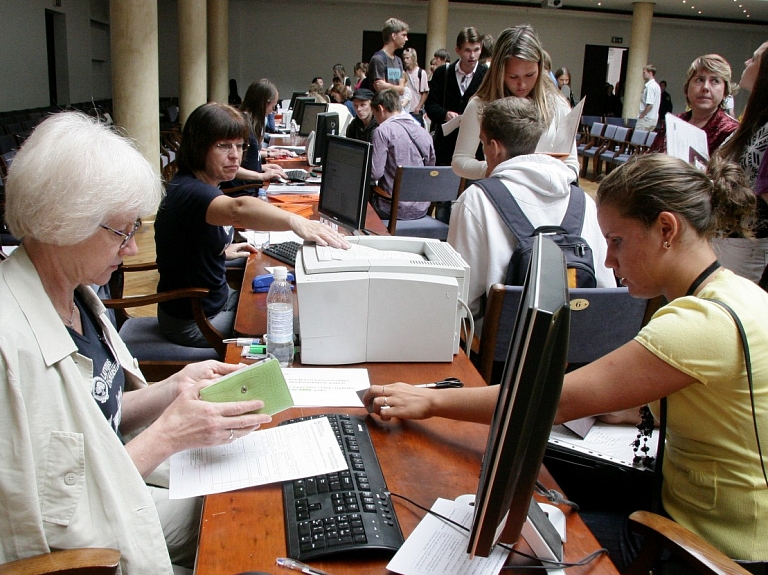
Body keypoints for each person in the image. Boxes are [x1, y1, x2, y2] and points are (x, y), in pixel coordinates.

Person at [364, 153, 768, 570]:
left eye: (617, 241)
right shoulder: (738, 293)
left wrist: (430, 402)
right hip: (692, 509)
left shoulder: (698, 324)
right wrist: (621, 407)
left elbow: (547, 402)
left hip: (714, 549)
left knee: (522, 556)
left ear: (666, 228)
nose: (609, 261)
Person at [0, 111, 273, 573]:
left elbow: (96, 416)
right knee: (249, 545)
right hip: (91, 549)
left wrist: (175, 386)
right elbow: (47, 525)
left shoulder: (77, 296)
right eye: (121, 231)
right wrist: (168, 436)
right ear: (59, 221)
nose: (131, 250)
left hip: (125, 486)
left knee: (259, 501)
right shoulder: (10, 348)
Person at [155, 103, 348, 349]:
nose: (235, 155)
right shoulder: (191, 191)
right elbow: (238, 210)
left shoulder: (201, 184)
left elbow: (185, 241)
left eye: (239, 145)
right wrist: (295, 221)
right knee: (291, 325)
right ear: (198, 146)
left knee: (282, 306)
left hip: (216, 301)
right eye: (223, 146)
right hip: (195, 322)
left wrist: (220, 251)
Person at [448, 96, 615, 321]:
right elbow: (606, 285)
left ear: (494, 147)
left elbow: (461, 300)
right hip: (583, 340)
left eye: (483, 142)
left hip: (504, 348)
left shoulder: (475, 200)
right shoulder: (584, 200)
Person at [452, 25, 578, 179]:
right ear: (499, 71)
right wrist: (497, 167)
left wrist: (564, 174)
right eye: (513, 77)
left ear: (540, 67)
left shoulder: (556, 102)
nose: (522, 85)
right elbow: (460, 161)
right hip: (502, 192)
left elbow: (571, 160)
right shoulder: (481, 104)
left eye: (530, 75)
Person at [715, 41, 768, 283]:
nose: (747, 62)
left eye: (754, 58)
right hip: (726, 233)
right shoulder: (755, 116)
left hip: (748, 238)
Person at [650, 55, 739, 157]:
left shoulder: (731, 131)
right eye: (699, 80)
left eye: (715, 81)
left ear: (725, 93)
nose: (705, 87)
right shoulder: (672, 121)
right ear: (687, 89)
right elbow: (652, 157)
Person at [424, 27, 487, 167]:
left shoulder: (487, 75)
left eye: (476, 50)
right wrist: (445, 114)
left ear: (481, 49)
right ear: (458, 50)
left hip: (476, 147)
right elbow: (430, 105)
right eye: (467, 50)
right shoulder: (443, 73)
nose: (472, 55)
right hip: (446, 145)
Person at [370, 88, 435, 220]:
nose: (376, 119)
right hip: (421, 208)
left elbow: (375, 173)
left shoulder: (383, 131)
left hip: (391, 207)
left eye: (375, 114)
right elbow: (430, 168)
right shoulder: (423, 131)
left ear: (381, 109)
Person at [220, 79, 289, 195]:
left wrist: (262, 167)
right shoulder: (241, 125)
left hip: (251, 185)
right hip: (243, 191)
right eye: (273, 106)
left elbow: (248, 160)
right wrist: (260, 175)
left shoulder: (250, 122)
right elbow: (230, 167)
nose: (273, 111)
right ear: (264, 104)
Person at [366, 17, 408, 95]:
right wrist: (396, 88)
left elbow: (402, 90)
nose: (406, 39)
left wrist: (387, 85)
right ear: (394, 36)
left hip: (395, 105)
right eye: (403, 35)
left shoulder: (398, 60)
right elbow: (380, 89)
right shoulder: (378, 59)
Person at [402, 47, 429, 125]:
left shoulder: (421, 72)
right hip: (405, 109)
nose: (405, 60)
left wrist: (418, 107)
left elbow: (425, 92)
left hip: (415, 110)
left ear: (413, 58)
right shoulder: (404, 72)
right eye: (404, 58)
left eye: (407, 58)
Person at [636, 64, 661, 130]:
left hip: (646, 119)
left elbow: (650, 104)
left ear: (650, 73)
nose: (643, 75)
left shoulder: (650, 86)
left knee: (638, 138)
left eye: (644, 72)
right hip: (653, 118)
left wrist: (642, 115)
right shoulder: (657, 86)